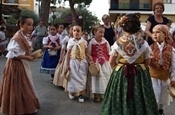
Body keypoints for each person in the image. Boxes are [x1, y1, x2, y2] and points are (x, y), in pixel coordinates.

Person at [100, 13, 159, 115]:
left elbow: (111, 62)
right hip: (140, 73)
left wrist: (119, 70)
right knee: (141, 96)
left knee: (119, 96)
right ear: (137, 27)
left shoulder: (118, 43)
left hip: (121, 72)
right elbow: (147, 62)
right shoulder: (143, 43)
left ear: (123, 27)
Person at [0, 16, 40, 115]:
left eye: (32, 25)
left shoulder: (24, 36)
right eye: (28, 24)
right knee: (19, 86)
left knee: (25, 84)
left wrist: (31, 55)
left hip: (22, 64)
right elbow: (12, 54)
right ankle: (19, 107)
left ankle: (26, 106)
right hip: (16, 65)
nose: (31, 27)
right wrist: (27, 57)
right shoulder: (17, 37)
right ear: (21, 25)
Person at [149, 24, 175, 115]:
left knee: (164, 96)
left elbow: (173, 64)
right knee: (155, 94)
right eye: (153, 33)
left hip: (165, 76)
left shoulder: (170, 49)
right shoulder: (150, 48)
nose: (155, 34)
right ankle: (154, 111)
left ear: (164, 34)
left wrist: (173, 78)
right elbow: (147, 62)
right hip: (153, 76)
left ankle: (161, 110)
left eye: (158, 32)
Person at [65, 25, 91, 103]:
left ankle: (80, 94)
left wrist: (90, 57)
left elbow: (86, 52)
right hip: (73, 62)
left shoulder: (84, 42)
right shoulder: (70, 41)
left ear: (82, 32)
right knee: (73, 78)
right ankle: (71, 92)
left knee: (82, 78)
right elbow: (68, 53)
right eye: (74, 31)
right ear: (72, 32)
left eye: (78, 31)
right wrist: (67, 64)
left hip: (82, 62)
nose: (76, 32)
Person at [88, 24, 112, 102]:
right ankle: (96, 95)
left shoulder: (105, 42)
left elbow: (109, 52)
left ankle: (104, 94)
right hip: (96, 63)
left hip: (105, 62)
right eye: (100, 32)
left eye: (103, 32)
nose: (102, 34)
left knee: (105, 78)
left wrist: (111, 61)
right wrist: (90, 60)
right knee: (96, 79)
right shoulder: (92, 42)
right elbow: (89, 52)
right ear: (95, 32)